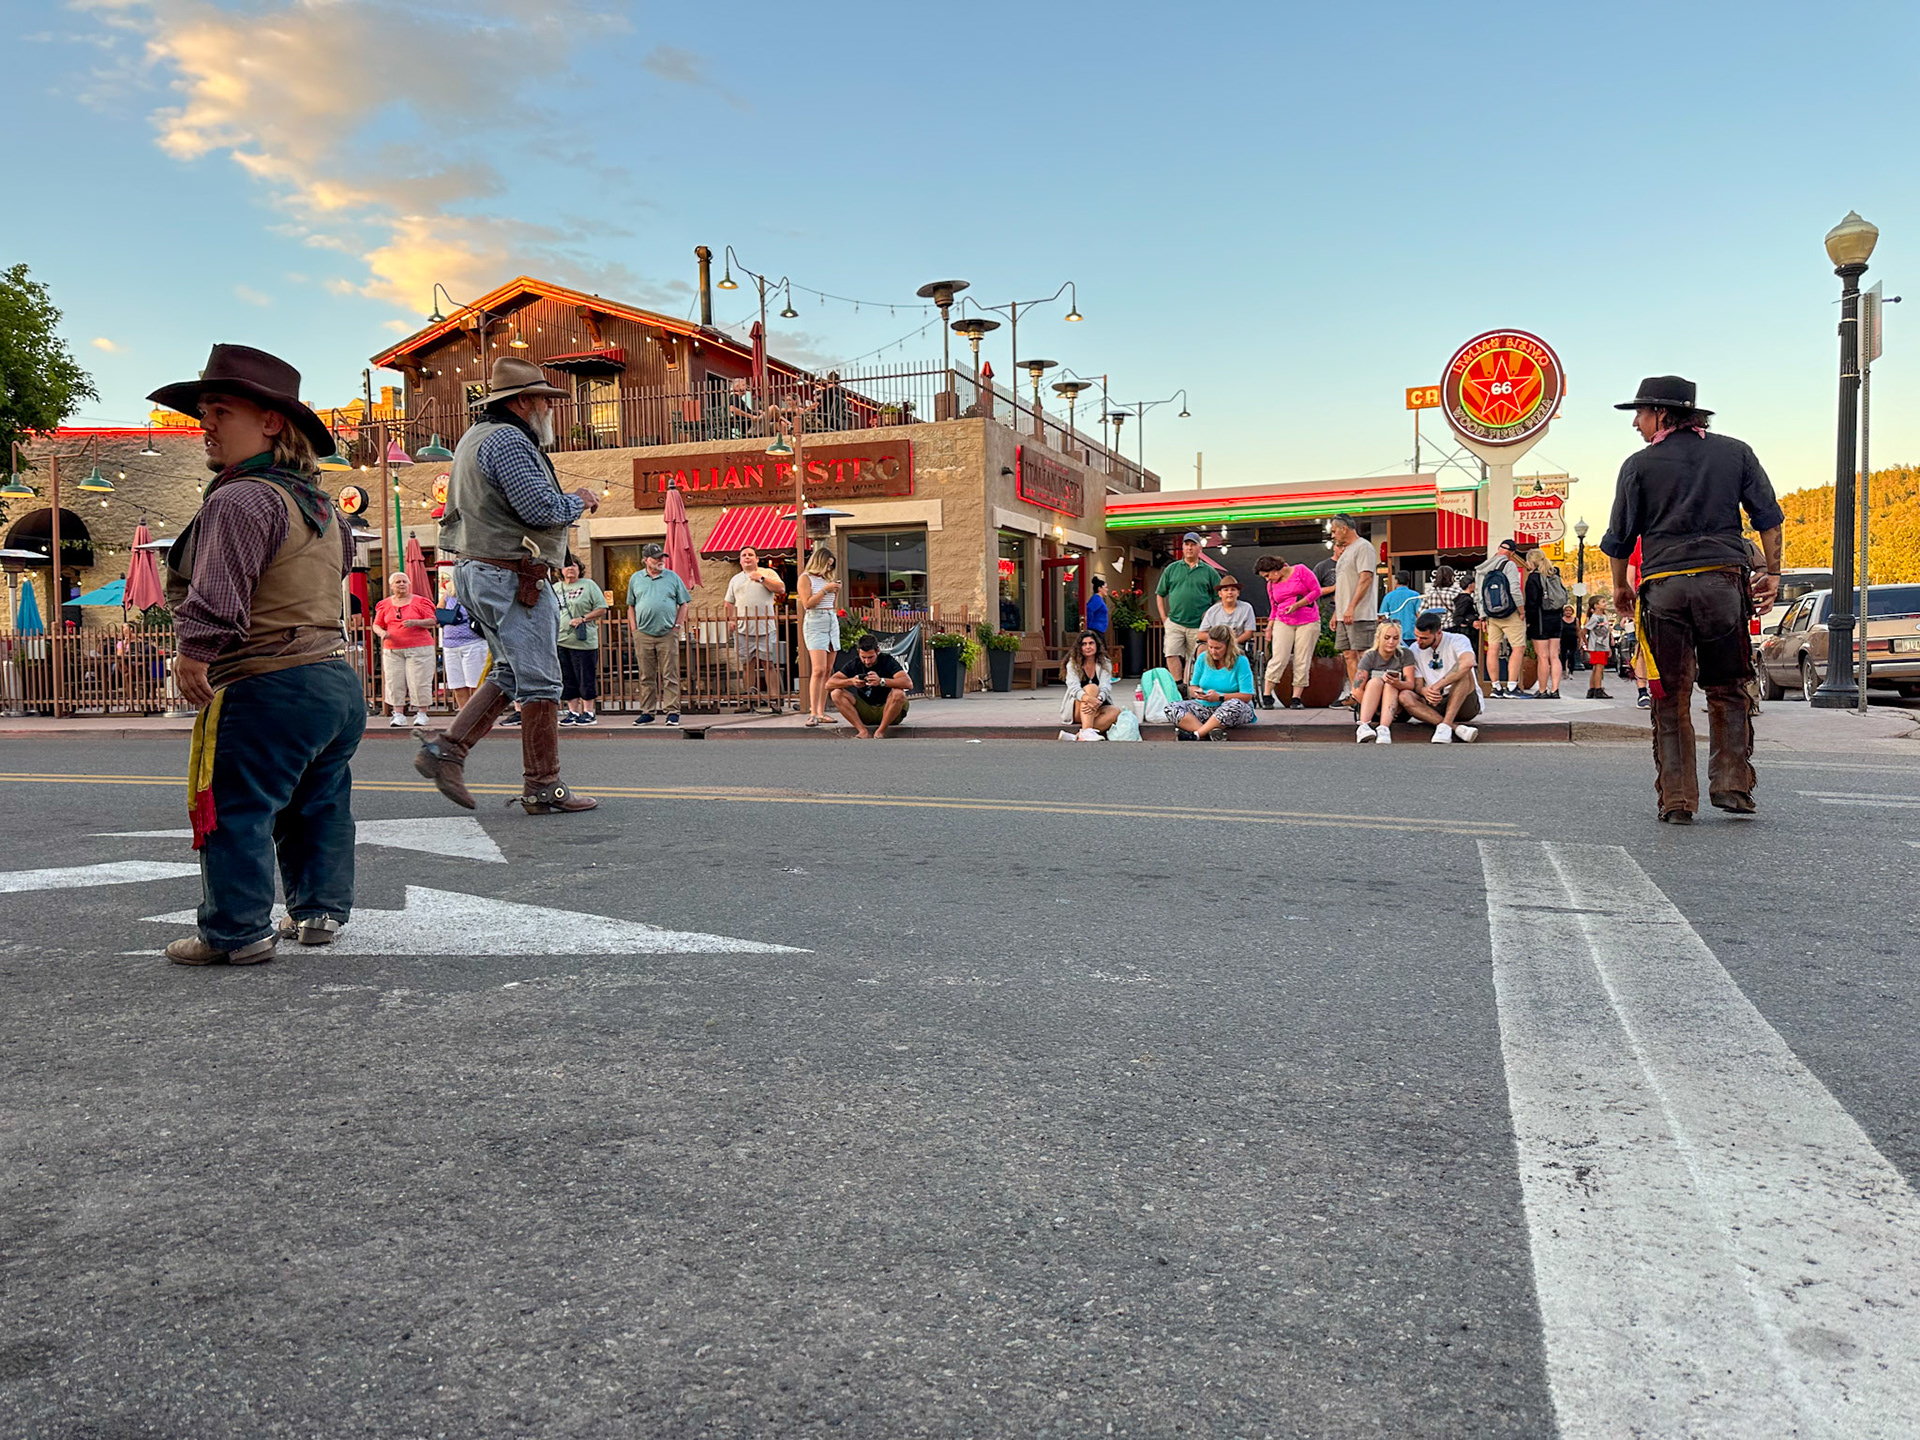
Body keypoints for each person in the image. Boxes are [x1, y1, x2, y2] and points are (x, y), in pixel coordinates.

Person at [147, 343, 362, 964]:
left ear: (271, 421)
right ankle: (318, 912)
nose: (204, 425)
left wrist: (194, 652)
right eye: (204, 413)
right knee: (319, 803)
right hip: (333, 680)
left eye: (219, 410)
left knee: (235, 809)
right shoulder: (322, 507)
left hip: (267, 681)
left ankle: (235, 933)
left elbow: (219, 594)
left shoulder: (240, 499)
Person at [415, 355, 601, 815]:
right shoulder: (509, 441)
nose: (549, 409)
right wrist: (578, 500)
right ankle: (543, 785)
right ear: (523, 402)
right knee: (541, 680)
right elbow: (540, 509)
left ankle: (448, 750)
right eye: (543, 400)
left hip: (484, 571)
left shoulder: (475, 438)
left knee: (513, 671)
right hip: (512, 576)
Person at [1601, 375, 1783, 824]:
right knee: (1728, 689)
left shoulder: (1638, 466)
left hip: (1665, 588)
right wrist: (1774, 574)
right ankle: (1732, 786)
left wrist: (1621, 587)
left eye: (1640, 413)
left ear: (1662, 413)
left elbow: (1620, 539)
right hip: (1722, 585)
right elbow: (1769, 520)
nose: (1636, 424)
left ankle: (1679, 800)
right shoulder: (1735, 451)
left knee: (1669, 696)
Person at [626, 542, 690, 726]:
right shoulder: (635, 578)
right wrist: (634, 629)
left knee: (670, 673)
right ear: (645, 560)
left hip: (667, 633)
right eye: (656, 558)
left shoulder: (672, 577)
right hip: (643, 634)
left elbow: (684, 603)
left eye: (663, 557)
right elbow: (631, 605)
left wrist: (677, 626)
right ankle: (648, 712)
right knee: (646, 675)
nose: (661, 561)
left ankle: (672, 712)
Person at [1398, 612, 1482, 742]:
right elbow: (1418, 684)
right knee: (1405, 696)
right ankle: (1451, 727)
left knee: (1465, 672)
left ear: (1438, 633)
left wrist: (1437, 686)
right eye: (1417, 636)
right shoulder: (1415, 648)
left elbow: (1468, 662)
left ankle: (1446, 724)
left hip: (1464, 702)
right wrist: (1424, 691)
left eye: (1424, 638)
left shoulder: (1458, 639)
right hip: (1434, 702)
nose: (1419, 641)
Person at [1166, 625, 1257, 740]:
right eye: (1210, 647)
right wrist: (1197, 692)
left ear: (1228, 647)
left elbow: (1247, 695)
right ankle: (1209, 733)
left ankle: (1197, 735)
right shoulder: (1203, 658)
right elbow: (1193, 686)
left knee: (1234, 705)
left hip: (1230, 707)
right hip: (1204, 705)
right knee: (1171, 707)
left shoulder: (1241, 661)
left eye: (1218, 648)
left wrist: (1220, 697)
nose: (1213, 651)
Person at [372, 569, 437, 727]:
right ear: (391, 586)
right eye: (398, 582)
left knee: (419, 680)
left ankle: (421, 713)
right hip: (392, 648)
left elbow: (433, 620)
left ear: (409, 584)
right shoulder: (385, 604)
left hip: (419, 647)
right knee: (394, 681)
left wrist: (416, 622)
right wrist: (381, 633)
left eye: (404, 582)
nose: (401, 584)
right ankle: (398, 714)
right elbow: (376, 624)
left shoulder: (420, 602)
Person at [726, 544, 787, 711]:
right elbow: (729, 602)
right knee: (747, 664)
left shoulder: (768, 573)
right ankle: (749, 701)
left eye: (750, 555)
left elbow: (781, 589)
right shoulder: (735, 579)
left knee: (769, 664)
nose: (747, 557)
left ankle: (774, 700)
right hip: (743, 628)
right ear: (740, 560)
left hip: (765, 628)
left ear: (757, 559)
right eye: (744, 555)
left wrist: (761, 578)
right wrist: (731, 620)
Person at [1154, 531, 1218, 684]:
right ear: (1182, 547)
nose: (1189, 548)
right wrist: (1164, 618)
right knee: (1171, 653)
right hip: (1174, 622)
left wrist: (1209, 616)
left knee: (1197, 657)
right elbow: (1160, 594)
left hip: (1199, 625)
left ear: (1199, 548)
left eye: (1193, 545)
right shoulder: (1171, 569)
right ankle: (1178, 686)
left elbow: (1218, 598)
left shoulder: (1209, 571)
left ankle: (1191, 684)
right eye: (1186, 544)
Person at [1257, 554, 1320, 709]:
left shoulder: (1300, 570)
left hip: (1307, 619)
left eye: (1267, 575)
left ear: (1275, 569)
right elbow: (1274, 607)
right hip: (1283, 620)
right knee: (1279, 656)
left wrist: (1298, 604)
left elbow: (1316, 591)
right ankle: (1267, 694)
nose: (1267, 579)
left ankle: (1296, 697)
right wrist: (1269, 627)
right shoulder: (1271, 585)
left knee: (1302, 658)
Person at [1329, 513, 1379, 706]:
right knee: (1348, 654)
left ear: (1343, 528)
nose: (1333, 535)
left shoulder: (1364, 547)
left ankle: (1369, 697)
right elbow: (1344, 584)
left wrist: (1351, 606)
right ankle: (1356, 694)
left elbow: (1365, 578)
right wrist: (1337, 612)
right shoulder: (1347, 551)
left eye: (1334, 530)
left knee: (1362, 654)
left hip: (1360, 613)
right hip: (1344, 613)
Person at [555, 556, 608, 725]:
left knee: (585, 676)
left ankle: (589, 711)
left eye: (574, 566)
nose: (570, 568)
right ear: (561, 570)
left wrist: (583, 618)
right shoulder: (556, 588)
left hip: (584, 642)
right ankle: (572, 712)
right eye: (567, 566)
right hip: (561, 639)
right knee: (567, 677)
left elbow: (602, 608)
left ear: (580, 569)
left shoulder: (589, 585)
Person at [828, 632, 911, 737]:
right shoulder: (855, 663)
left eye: (871, 657)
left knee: (898, 693)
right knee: (836, 693)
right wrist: (851, 681)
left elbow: (908, 683)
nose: (867, 662)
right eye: (863, 657)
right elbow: (829, 684)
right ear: (858, 652)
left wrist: (882, 681)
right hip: (866, 709)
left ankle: (881, 731)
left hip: (889, 710)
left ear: (878, 651)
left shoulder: (887, 660)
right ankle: (862, 731)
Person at [1474, 539, 1528, 697]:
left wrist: (1483, 616)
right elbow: (1514, 588)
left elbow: (1478, 595)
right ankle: (1511, 687)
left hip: (1491, 615)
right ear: (1512, 553)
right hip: (1509, 613)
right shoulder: (1508, 565)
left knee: (1493, 649)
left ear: (1498, 549)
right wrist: (1521, 609)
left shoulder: (1482, 568)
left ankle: (1496, 687)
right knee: (1518, 647)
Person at [799, 545, 842, 727]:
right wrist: (825, 590)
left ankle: (822, 711)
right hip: (815, 621)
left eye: (831, 566)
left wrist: (834, 590)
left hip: (831, 619)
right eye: (827, 564)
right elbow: (807, 603)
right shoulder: (805, 578)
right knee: (818, 669)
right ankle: (813, 712)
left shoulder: (827, 579)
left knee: (827, 669)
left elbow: (832, 604)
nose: (829, 569)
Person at [1353, 620, 1414, 743]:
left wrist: (1397, 683)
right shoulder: (1370, 656)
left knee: (1390, 685)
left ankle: (1384, 728)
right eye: (1387, 638)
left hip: (1396, 709)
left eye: (1395, 638)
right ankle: (1363, 725)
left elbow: (1410, 684)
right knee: (1375, 681)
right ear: (1379, 637)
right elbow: (1356, 689)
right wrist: (1373, 707)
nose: (1391, 642)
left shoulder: (1405, 654)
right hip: (1371, 707)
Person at [1059, 629, 1121, 739]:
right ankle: (1087, 731)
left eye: (1091, 643)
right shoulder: (1073, 663)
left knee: (1116, 712)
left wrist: (1099, 700)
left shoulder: (1105, 663)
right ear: (1080, 647)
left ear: (1097, 645)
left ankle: (1079, 735)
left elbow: (1106, 685)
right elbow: (1074, 688)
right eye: (1084, 644)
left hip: (1097, 705)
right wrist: (1088, 698)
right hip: (1078, 709)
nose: (1088, 647)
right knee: (1092, 687)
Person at [437, 577, 487, 712]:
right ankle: (464, 714)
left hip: (473, 641)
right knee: (457, 683)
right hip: (450, 644)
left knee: (475, 682)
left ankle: (477, 713)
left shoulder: (477, 593)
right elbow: (439, 611)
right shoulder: (448, 594)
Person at [1522, 548, 1566, 699]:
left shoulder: (1534, 578)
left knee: (1542, 657)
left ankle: (1542, 690)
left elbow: (1532, 603)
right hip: (1556, 619)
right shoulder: (1554, 574)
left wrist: (1528, 622)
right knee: (1554, 656)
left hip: (1540, 620)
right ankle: (1555, 689)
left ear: (1530, 561)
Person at [1199, 576, 1257, 647]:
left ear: (1238, 593)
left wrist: (1232, 642)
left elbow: (1248, 633)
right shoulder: (1212, 611)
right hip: (1215, 646)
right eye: (1226, 590)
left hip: (1237, 645)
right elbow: (1201, 634)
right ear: (1220, 594)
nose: (1230, 592)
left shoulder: (1247, 608)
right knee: (1201, 648)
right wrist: (1218, 640)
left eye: (1233, 590)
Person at [1379, 570, 1424, 639]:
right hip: (1411, 633)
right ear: (1408, 581)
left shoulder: (1388, 596)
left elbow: (1382, 616)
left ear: (1396, 581)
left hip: (1394, 633)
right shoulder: (1415, 595)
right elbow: (1419, 615)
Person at [1583, 607, 1615, 700]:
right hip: (1597, 646)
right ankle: (1598, 689)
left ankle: (1592, 689)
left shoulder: (1604, 617)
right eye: (1602, 602)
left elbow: (1607, 631)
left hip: (1603, 645)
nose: (1605, 604)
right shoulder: (1594, 618)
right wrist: (1586, 642)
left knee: (1597, 668)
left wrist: (1609, 644)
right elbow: (1584, 630)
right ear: (1596, 605)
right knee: (1599, 668)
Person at [1084, 575, 1110, 651]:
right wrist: (1089, 627)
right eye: (1105, 587)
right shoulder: (1096, 599)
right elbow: (1089, 610)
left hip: (1099, 631)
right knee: (1101, 653)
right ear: (1100, 588)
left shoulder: (1099, 599)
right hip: (1096, 631)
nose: (1107, 589)